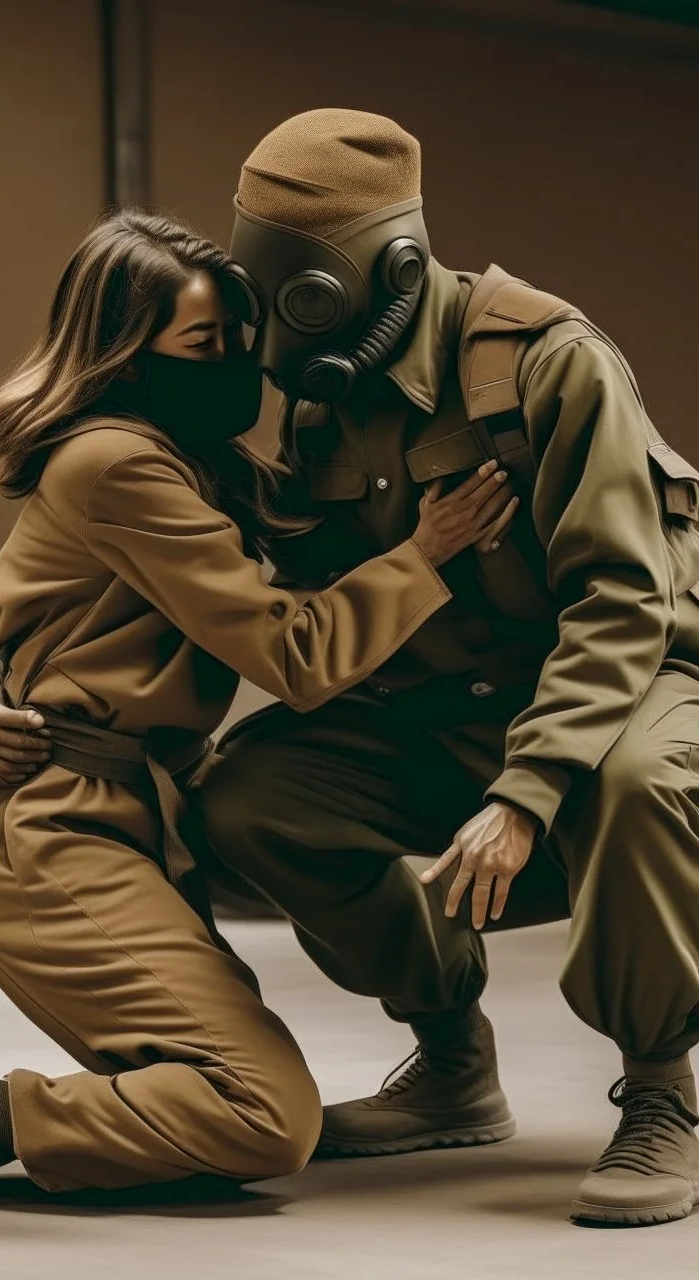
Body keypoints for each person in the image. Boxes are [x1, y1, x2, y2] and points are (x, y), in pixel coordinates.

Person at [195, 109, 699, 1227]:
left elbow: (624, 602)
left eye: (302, 295)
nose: (282, 325)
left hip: (619, 684)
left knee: (635, 784)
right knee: (251, 793)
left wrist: (526, 794)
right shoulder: (323, 395)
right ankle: (452, 1059)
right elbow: (323, 588)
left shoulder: (548, 362)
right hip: (446, 703)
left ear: (390, 267)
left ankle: (663, 1083)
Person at [0, 207, 516, 1195]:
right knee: (262, 1116)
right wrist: (426, 552)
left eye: (238, 335)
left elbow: (51, 614)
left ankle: (452, 1060)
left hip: (140, 810)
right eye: (202, 343)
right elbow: (291, 651)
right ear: (125, 353)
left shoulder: (194, 456)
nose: (232, 362)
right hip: (54, 826)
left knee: (271, 822)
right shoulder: (117, 461)